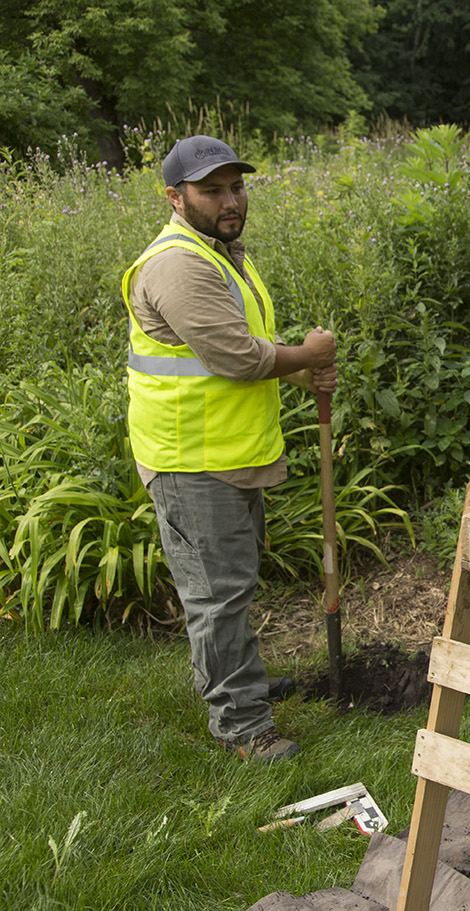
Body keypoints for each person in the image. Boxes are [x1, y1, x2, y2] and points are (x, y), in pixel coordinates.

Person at [121, 135, 337, 764]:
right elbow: (238, 358)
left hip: (225, 453)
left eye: (236, 186)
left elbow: (243, 348)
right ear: (175, 196)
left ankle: (228, 681)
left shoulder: (221, 255)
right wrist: (310, 356)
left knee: (227, 586)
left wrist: (299, 373)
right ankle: (243, 724)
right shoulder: (179, 264)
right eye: (212, 190)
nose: (230, 199)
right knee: (217, 593)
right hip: (192, 460)